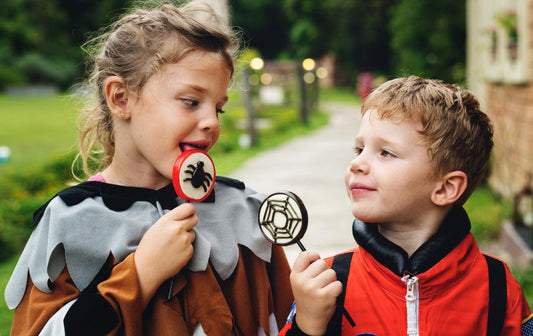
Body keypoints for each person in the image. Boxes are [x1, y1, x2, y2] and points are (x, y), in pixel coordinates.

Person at [4, 2, 293, 335]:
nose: (211, 122)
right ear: (121, 98)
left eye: (219, 109)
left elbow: (281, 320)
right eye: (191, 101)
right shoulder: (68, 223)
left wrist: (308, 321)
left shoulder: (245, 214)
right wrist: (139, 274)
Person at [280, 76, 532, 336]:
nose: (357, 164)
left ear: (445, 188)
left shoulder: (497, 287)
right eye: (359, 149)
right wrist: (306, 326)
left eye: (385, 153)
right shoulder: (332, 283)